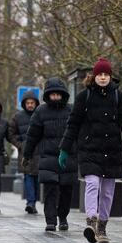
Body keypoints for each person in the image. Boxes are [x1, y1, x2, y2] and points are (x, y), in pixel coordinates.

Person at [59, 58, 122, 243]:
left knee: (108, 191)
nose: (103, 78)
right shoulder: (83, 97)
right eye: (100, 74)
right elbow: (73, 124)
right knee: (93, 183)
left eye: (106, 75)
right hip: (89, 148)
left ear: (110, 77)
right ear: (93, 76)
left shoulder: (119, 97)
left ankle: (102, 226)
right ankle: (91, 220)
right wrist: (64, 148)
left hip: (112, 150)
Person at [23, 78, 77, 231]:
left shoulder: (71, 110)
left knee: (67, 191)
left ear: (63, 95)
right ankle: (51, 221)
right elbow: (32, 135)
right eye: (52, 95)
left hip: (68, 157)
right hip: (48, 157)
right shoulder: (41, 111)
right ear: (47, 95)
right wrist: (27, 155)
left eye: (57, 94)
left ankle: (63, 217)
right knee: (50, 191)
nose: (55, 97)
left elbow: (78, 132)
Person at [8, 90, 40, 214]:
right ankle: (30, 202)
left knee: (36, 178)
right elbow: (11, 133)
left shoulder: (40, 114)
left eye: (32, 102)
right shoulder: (17, 117)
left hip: (38, 152)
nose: (30, 105)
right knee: (28, 177)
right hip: (25, 152)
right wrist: (19, 145)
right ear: (24, 104)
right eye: (28, 103)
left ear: (36, 103)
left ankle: (33, 202)